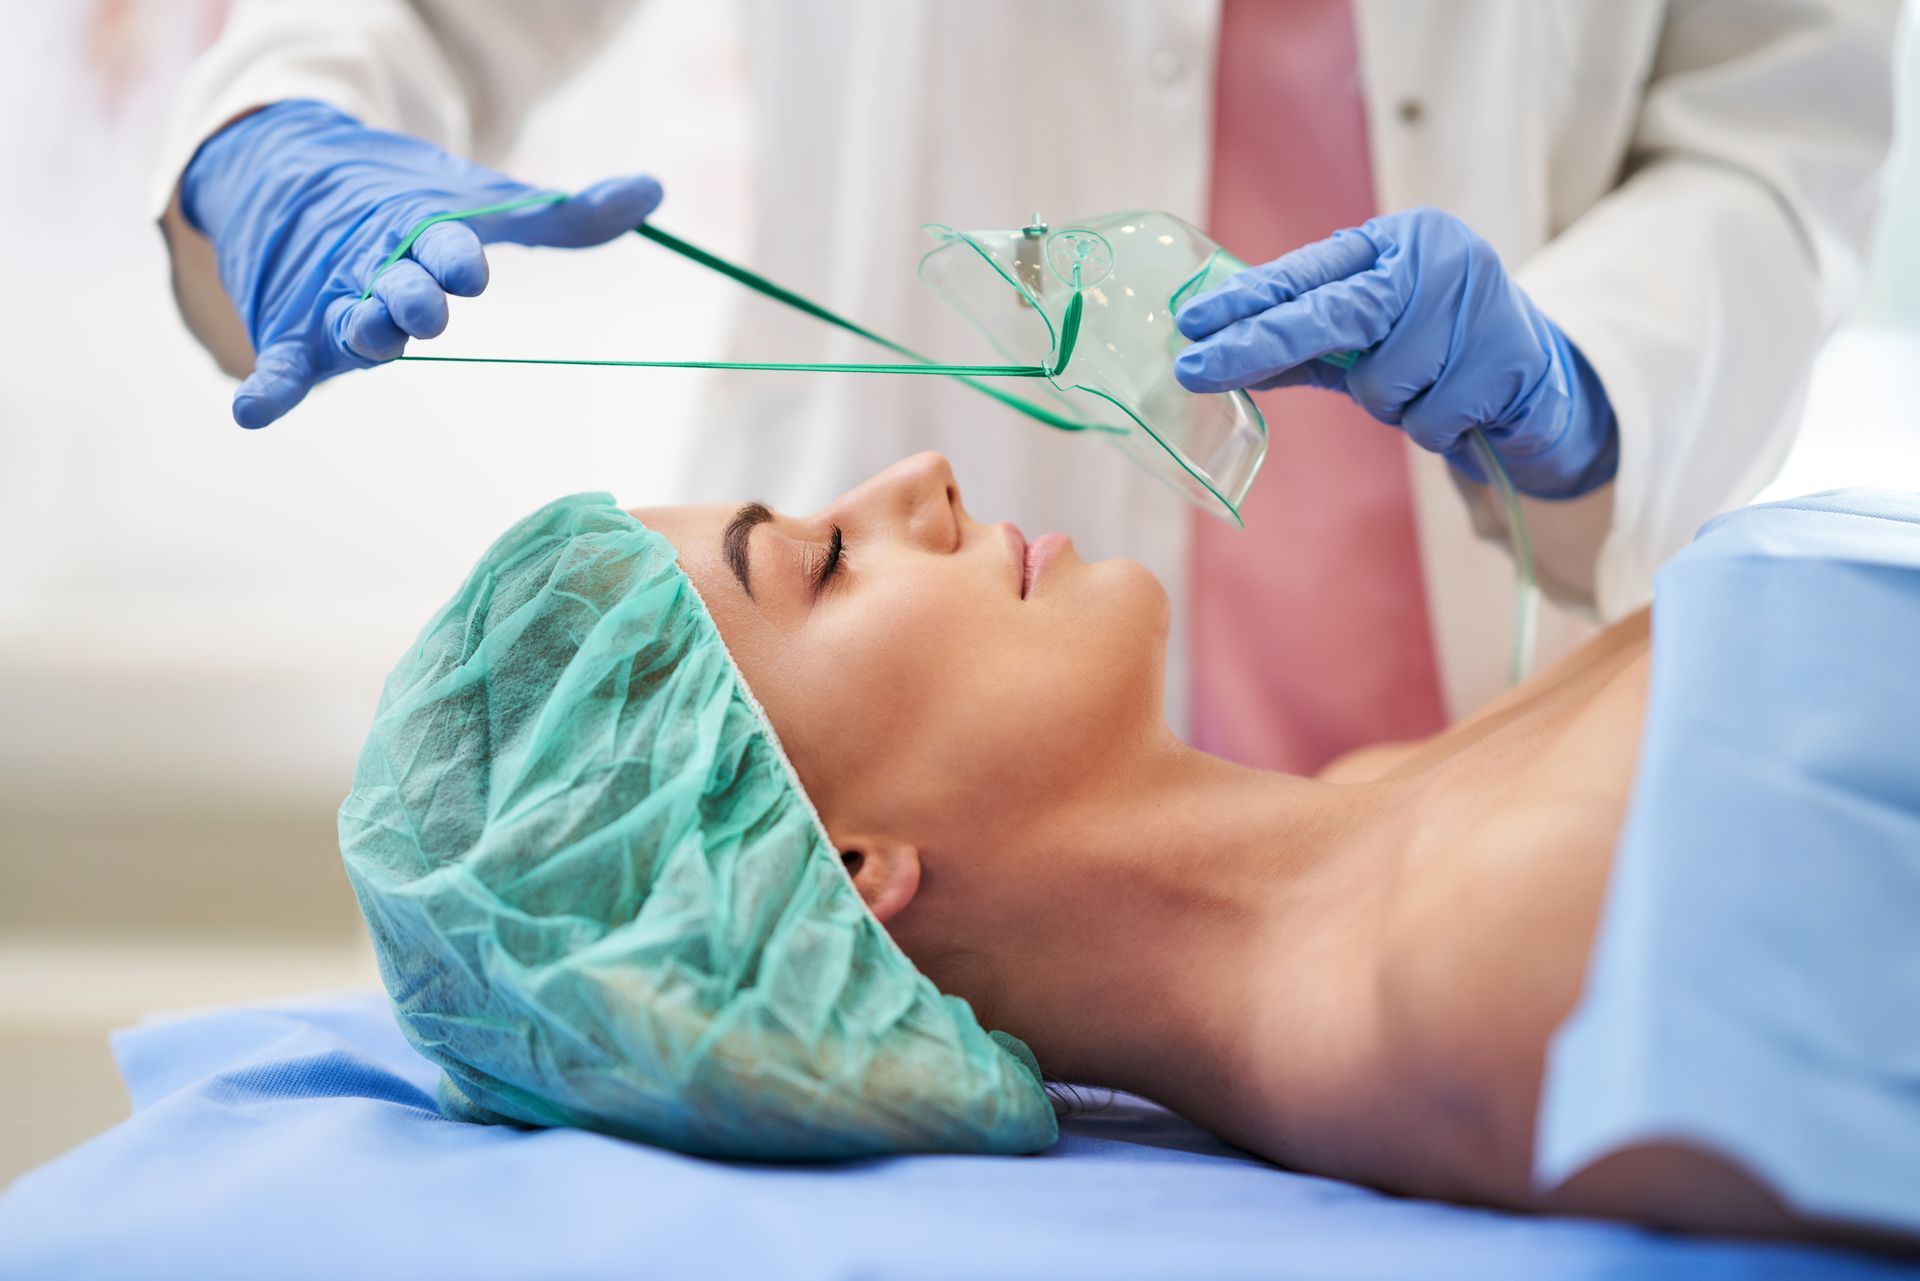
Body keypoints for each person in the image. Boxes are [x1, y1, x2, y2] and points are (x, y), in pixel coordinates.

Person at [156, 1, 1898, 773]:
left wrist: (1588, 378)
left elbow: (1778, 131)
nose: (917, 482)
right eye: (811, 556)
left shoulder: (1514, 901)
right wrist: (281, 121)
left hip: (1480, 657)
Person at [343, 451, 1920, 1249]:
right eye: (821, 562)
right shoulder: (1491, 961)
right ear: (850, 860)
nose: (921, 479)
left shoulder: (1396, 804)